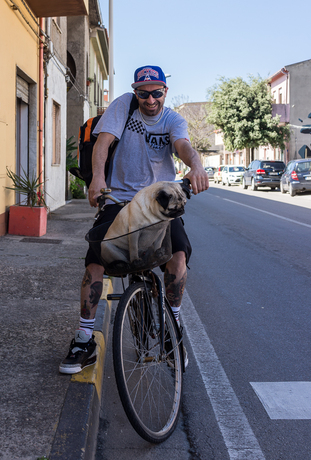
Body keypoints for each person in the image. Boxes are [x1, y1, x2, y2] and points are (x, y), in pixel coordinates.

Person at [59, 65, 209, 374]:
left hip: (159, 201)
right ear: (135, 91)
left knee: (178, 257)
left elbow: (183, 147)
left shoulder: (173, 120)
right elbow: (102, 143)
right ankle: (84, 338)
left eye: (156, 93)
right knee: (96, 260)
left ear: (165, 91)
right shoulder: (123, 107)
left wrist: (196, 166)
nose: (150, 99)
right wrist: (97, 180)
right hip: (121, 199)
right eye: (144, 93)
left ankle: (174, 325)